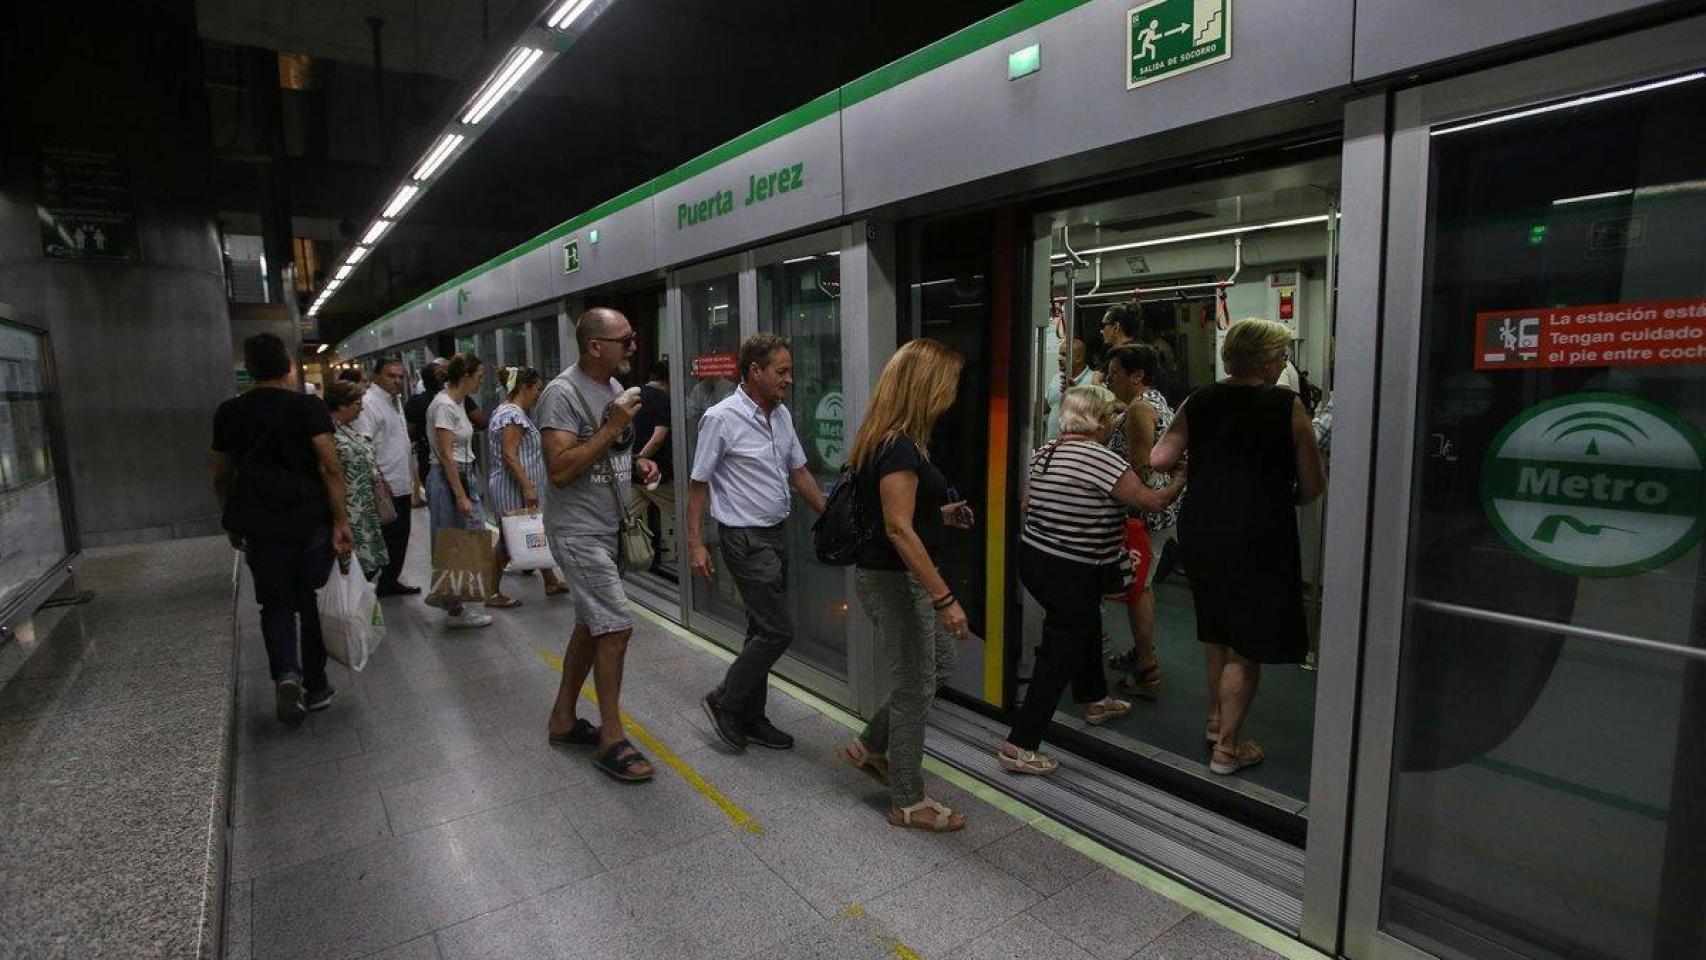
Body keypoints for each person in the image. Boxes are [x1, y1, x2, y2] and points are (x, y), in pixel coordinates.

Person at [1151, 318, 1326, 776]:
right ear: (1267, 360)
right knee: (1245, 647)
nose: (1283, 364)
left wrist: (1199, 469)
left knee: (1217, 631)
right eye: (1281, 357)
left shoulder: (1200, 398)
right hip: (1258, 530)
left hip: (1204, 525)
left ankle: (1215, 720)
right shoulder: (1286, 405)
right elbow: (1311, 484)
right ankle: (1226, 748)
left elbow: (1159, 458)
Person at [997, 386, 1186, 775]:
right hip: (1073, 569)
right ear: (1098, 422)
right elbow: (1151, 502)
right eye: (1111, 417)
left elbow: (1027, 503)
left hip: (1035, 559)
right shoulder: (1102, 460)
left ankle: (1095, 699)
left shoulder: (1044, 452)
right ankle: (1020, 745)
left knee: (1085, 623)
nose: (1115, 422)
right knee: (1059, 650)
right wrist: (1181, 477)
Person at [834, 338, 975, 832]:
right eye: (950, 383)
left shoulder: (897, 440)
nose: (955, 393)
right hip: (895, 581)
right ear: (928, 386)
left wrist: (942, 513)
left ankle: (870, 744)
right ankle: (908, 801)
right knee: (916, 684)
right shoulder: (897, 446)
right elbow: (897, 529)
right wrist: (945, 598)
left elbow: (895, 515)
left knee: (936, 665)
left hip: (893, 576)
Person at [536, 308, 663, 783]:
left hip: (607, 526)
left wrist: (637, 468)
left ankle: (564, 719)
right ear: (595, 346)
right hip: (578, 531)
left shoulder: (612, 390)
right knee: (615, 627)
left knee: (592, 626)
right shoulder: (561, 395)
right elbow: (562, 470)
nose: (634, 345)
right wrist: (610, 431)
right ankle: (612, 736)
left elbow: (606, 459)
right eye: (625, 339)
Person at [688, 334, 827, 752]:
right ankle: (725, 701)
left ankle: (752, 716)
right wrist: (695, 542)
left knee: (758, 629)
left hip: (776, 534)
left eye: (790, 370)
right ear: (755, 372)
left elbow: (799, 472)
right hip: (744, 538)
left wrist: (830, 515)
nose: (789, 378)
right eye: (781, 371)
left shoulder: (781, 415)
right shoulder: (721, 417)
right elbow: (698, 484)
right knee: (776, 631)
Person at [211, 333, 354, 724]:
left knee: (273, 604)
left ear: (250, 370)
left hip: (260, 525)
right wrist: (341, 520)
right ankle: (317, 685)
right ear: (289, 366)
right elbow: (329, 467)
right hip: (309, 522)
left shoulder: (228, 413)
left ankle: (286, 674)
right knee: (310, 603)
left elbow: (222, 476)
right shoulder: (307, 407)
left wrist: (231, 520)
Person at [1102, 344, 1181, 697]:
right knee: (1141, 583)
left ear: (1137, 376)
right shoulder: (1154, 401)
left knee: (1138, 587)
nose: (1108, 378)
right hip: (1158, 511)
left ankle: (1147, 665)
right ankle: (1141, 649)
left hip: (1143, 515)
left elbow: (1139, 466)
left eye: (1115, 372)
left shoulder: (1139, 409)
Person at [484, 366, 569, 604]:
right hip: (512, 486)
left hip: (515, 484)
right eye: (537, 389)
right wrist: (528, 486)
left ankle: (550, 580)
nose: (538, 395)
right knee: (508, 538)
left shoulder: (509, 412)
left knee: (531, 531)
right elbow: (510, 455)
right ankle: (492, 592)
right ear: (524, 387)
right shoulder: (512, 416)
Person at [425, 353, 494, 629]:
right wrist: (461, 496)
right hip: (449, 478)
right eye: (479, 376)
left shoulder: (458, 402)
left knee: (464, 538)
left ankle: (456, 601)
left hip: (464, 474)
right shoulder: (444, 406)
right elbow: (446, 454)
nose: (481, 382)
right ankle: (461, 606)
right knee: (458, 541)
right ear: (465, 377)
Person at [355, 357, 420, 596]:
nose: (397, 381)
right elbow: (364, 444)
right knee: (385, 538)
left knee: (399, 537)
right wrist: (379, 479)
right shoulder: (369, 403)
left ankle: (389, 581)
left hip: (400, 483)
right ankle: (365, 586)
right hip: (384, 486)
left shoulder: (395, 401)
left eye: (400, 377)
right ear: (376, 377)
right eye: (391, 376)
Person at [326, 381, 390, 581]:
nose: (361, 408)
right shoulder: (329, 433)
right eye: (357, 403)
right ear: (342, 405)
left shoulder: (349, 429)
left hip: (365, 508)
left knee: (368, 565)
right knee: (353, 565)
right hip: (349, 509)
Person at [632, 363, 674, 568]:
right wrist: (640, 459)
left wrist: (631, 462)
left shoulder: (633, 395)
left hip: (633, 478)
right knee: (687, 515)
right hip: (655, 475)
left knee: (623, 518)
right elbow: (658, 438)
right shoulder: (663, 399)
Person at [405, 362, 443, 506]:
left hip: (427, 459)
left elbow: (411, 433)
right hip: (432, 461)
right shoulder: (447, 401)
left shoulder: (415, 402)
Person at [1091, 304, 1141, 384]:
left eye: (1104, 325)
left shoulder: (1128, 356)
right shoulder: (1115, 354)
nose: (1101, 331)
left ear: (1116, 327)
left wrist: (1096, 386)